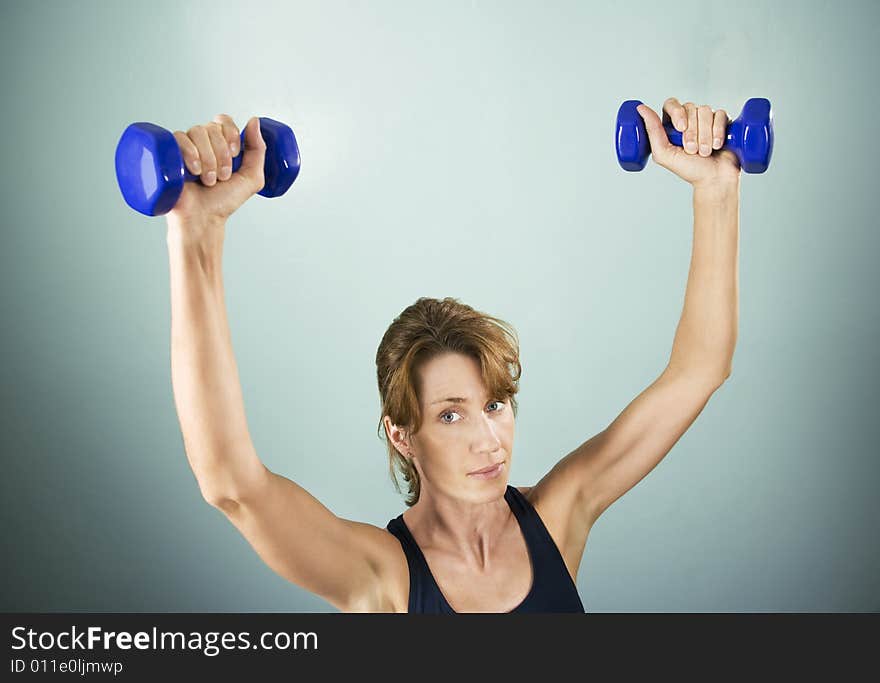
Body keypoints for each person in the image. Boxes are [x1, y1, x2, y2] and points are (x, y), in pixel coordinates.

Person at [166, 99, 741, 612]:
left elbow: (699, 370)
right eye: (449, 414)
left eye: (494, 405)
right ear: (401, 435)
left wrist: (715, 191)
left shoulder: (559, 517)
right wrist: (199, 232)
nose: (489, 440)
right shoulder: (383, 575)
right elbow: (232, 486)